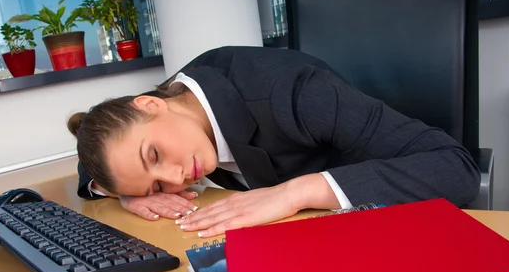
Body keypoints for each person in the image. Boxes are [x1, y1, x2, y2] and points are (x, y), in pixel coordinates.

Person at [67, 45, 481, 238]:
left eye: (154, 156)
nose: (176, 177)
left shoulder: (292, 91)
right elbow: (95, 140)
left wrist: (297, 191)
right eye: (159, 184)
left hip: (382, 229)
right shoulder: (171, 103)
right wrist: (129, 193)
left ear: (149, 104)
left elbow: (458, 170)